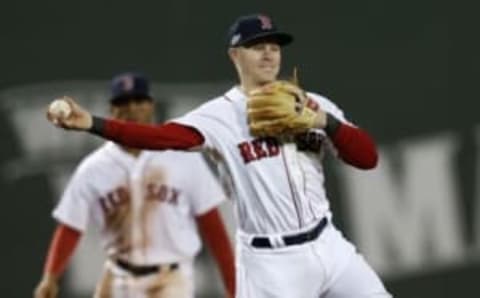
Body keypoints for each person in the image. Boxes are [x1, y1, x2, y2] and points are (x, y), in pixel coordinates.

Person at [46, 14, 392, 298]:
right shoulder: (220, 116)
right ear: (235, 55)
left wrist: (325, 122)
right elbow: (162, 137)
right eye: (257, 47)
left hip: (329, 243)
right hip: (270, 263)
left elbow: (367, 158)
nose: (269, 54)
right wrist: (92, 123)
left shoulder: (312, 104)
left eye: (274, 47)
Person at [36, 73, 235, 298]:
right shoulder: (93, 168)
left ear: (151, 106)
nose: (132, 109)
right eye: (123, 102)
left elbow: (213, 226)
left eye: (139, 101)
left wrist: (232, 284)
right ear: (111, 109)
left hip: (170, 279)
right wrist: (50, 276)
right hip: (118, 276)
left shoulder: (183, 159)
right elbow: (70, 227)